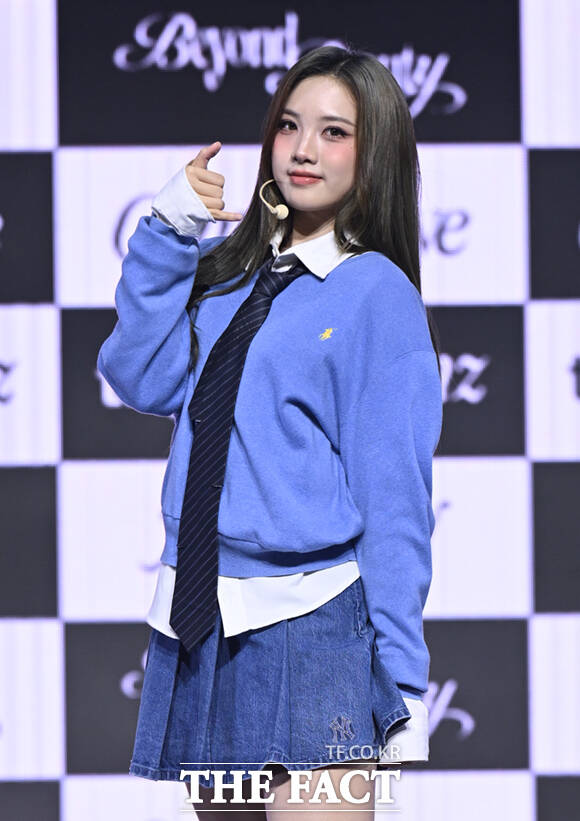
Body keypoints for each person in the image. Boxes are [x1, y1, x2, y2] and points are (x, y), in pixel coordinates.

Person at [97, 45, 442, 819]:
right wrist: (167, 229)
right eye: (289, 125)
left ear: (375, 152)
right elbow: (139, 375)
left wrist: (402, 677)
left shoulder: (376, 294)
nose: (303, 149)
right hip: (202, 617)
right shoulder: (227, 273)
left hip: (316, 625)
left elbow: (394, 499)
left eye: (334, 132)